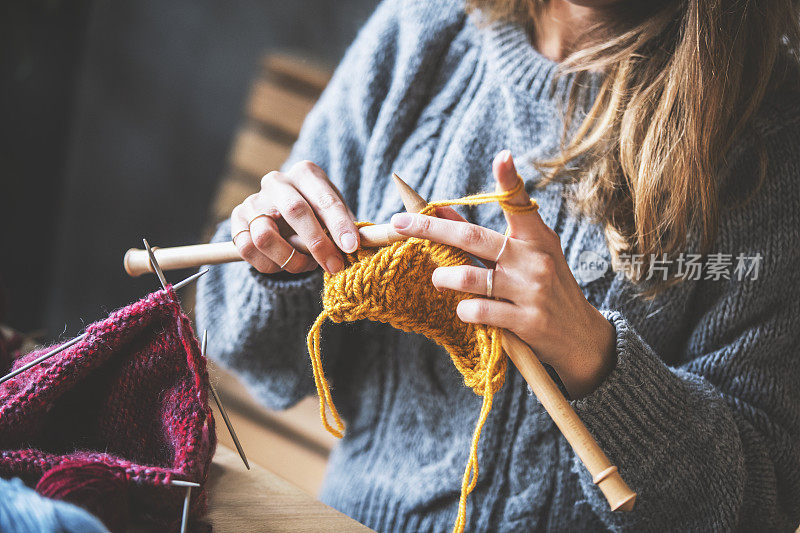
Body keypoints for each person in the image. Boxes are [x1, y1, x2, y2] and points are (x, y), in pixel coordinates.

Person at [196, 0, 800, 530]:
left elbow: (761, 506)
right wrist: (278, 262)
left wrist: (594, 356)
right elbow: (234, 339)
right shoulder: (423, 27)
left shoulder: (766, 137)